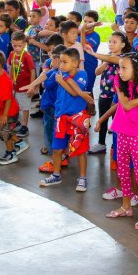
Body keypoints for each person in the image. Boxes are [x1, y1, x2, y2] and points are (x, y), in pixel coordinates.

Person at [105, 53, 138, 230]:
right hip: (121, 131)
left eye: (124, 68)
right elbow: (126, 105)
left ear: (136, 69)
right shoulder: (119, 81)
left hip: (137, 135)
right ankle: (126, 206)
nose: (120, 71)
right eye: (119, 67)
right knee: (123, 172)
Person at [39, 48, 92, 189]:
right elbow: (45, 76)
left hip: (77, 118)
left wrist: (63, 81)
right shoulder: (60, 73)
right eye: (60, 61)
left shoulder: (82, 74)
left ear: (75, 63)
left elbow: (75, 93)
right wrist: (32, 85)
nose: (61, 64)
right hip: (61, 117)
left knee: (80, 151)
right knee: (57, 149)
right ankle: (56, 175)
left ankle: (82, 178)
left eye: (64, 62)